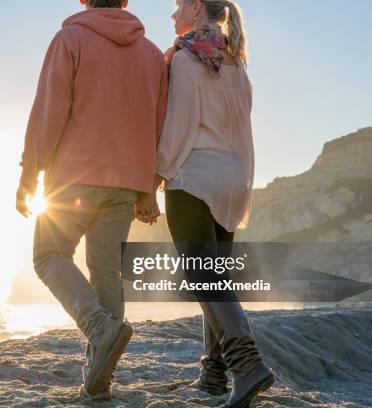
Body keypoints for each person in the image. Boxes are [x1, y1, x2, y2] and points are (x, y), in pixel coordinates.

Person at [15, 0, 168, 400]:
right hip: (125, 183)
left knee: (48, 256)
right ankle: (99, 378)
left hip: (73, 177)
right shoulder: (152, 55)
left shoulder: (70, 39)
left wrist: (29, 172)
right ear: (125, 1)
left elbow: (49, 112)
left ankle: (100, 330)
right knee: (106, 273)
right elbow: (158, 125)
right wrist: (147, 188)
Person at [137, 0, 275, 407]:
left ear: (195, 7)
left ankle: (248, 366)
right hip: (233, 179)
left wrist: (154, 178)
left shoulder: (186, 59)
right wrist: (242, 187)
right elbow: (243, 135)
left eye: (177, 4)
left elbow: (178, 128)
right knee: (217, 280)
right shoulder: (237, 62)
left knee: (202, 278)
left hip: (195, 177)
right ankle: (213, 376)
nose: (172, 13)